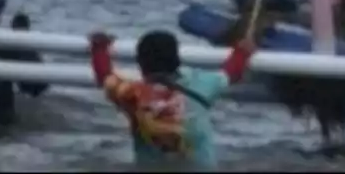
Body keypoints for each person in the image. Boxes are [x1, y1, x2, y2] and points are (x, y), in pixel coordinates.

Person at [90, 29, 255, 170]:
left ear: (140, 63)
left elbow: (104, 76)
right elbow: (232, 72)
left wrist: (100, 47)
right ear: (177, 59)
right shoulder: (202, 83)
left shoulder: (131, 94)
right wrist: (242, 52)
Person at [0, 0, 48, 126]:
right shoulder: (2, 47)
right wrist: (21, 38)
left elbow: (36, 86)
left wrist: (21, 40)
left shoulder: (2, 47)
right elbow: (37, 86)